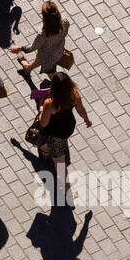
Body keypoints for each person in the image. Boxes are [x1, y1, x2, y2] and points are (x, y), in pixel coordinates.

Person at [37, 71, 92, 205]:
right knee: (56, 145)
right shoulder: (74, 93)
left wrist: (41, 109)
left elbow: (43, 123)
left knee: (60, 165)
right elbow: (81, 109)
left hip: (55, 135)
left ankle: (68, 193)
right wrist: (87, 119)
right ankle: (45, 149)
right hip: (69, 127)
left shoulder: (51, 103)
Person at [11, 1, 69, 78]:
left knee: (51, 74)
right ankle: (28, 68)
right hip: (58, 50)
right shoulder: (65, 22)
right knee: (39, 58)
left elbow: (33, 47)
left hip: (48, 57)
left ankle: (59, 88)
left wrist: (19, 48)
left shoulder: (43, 33)